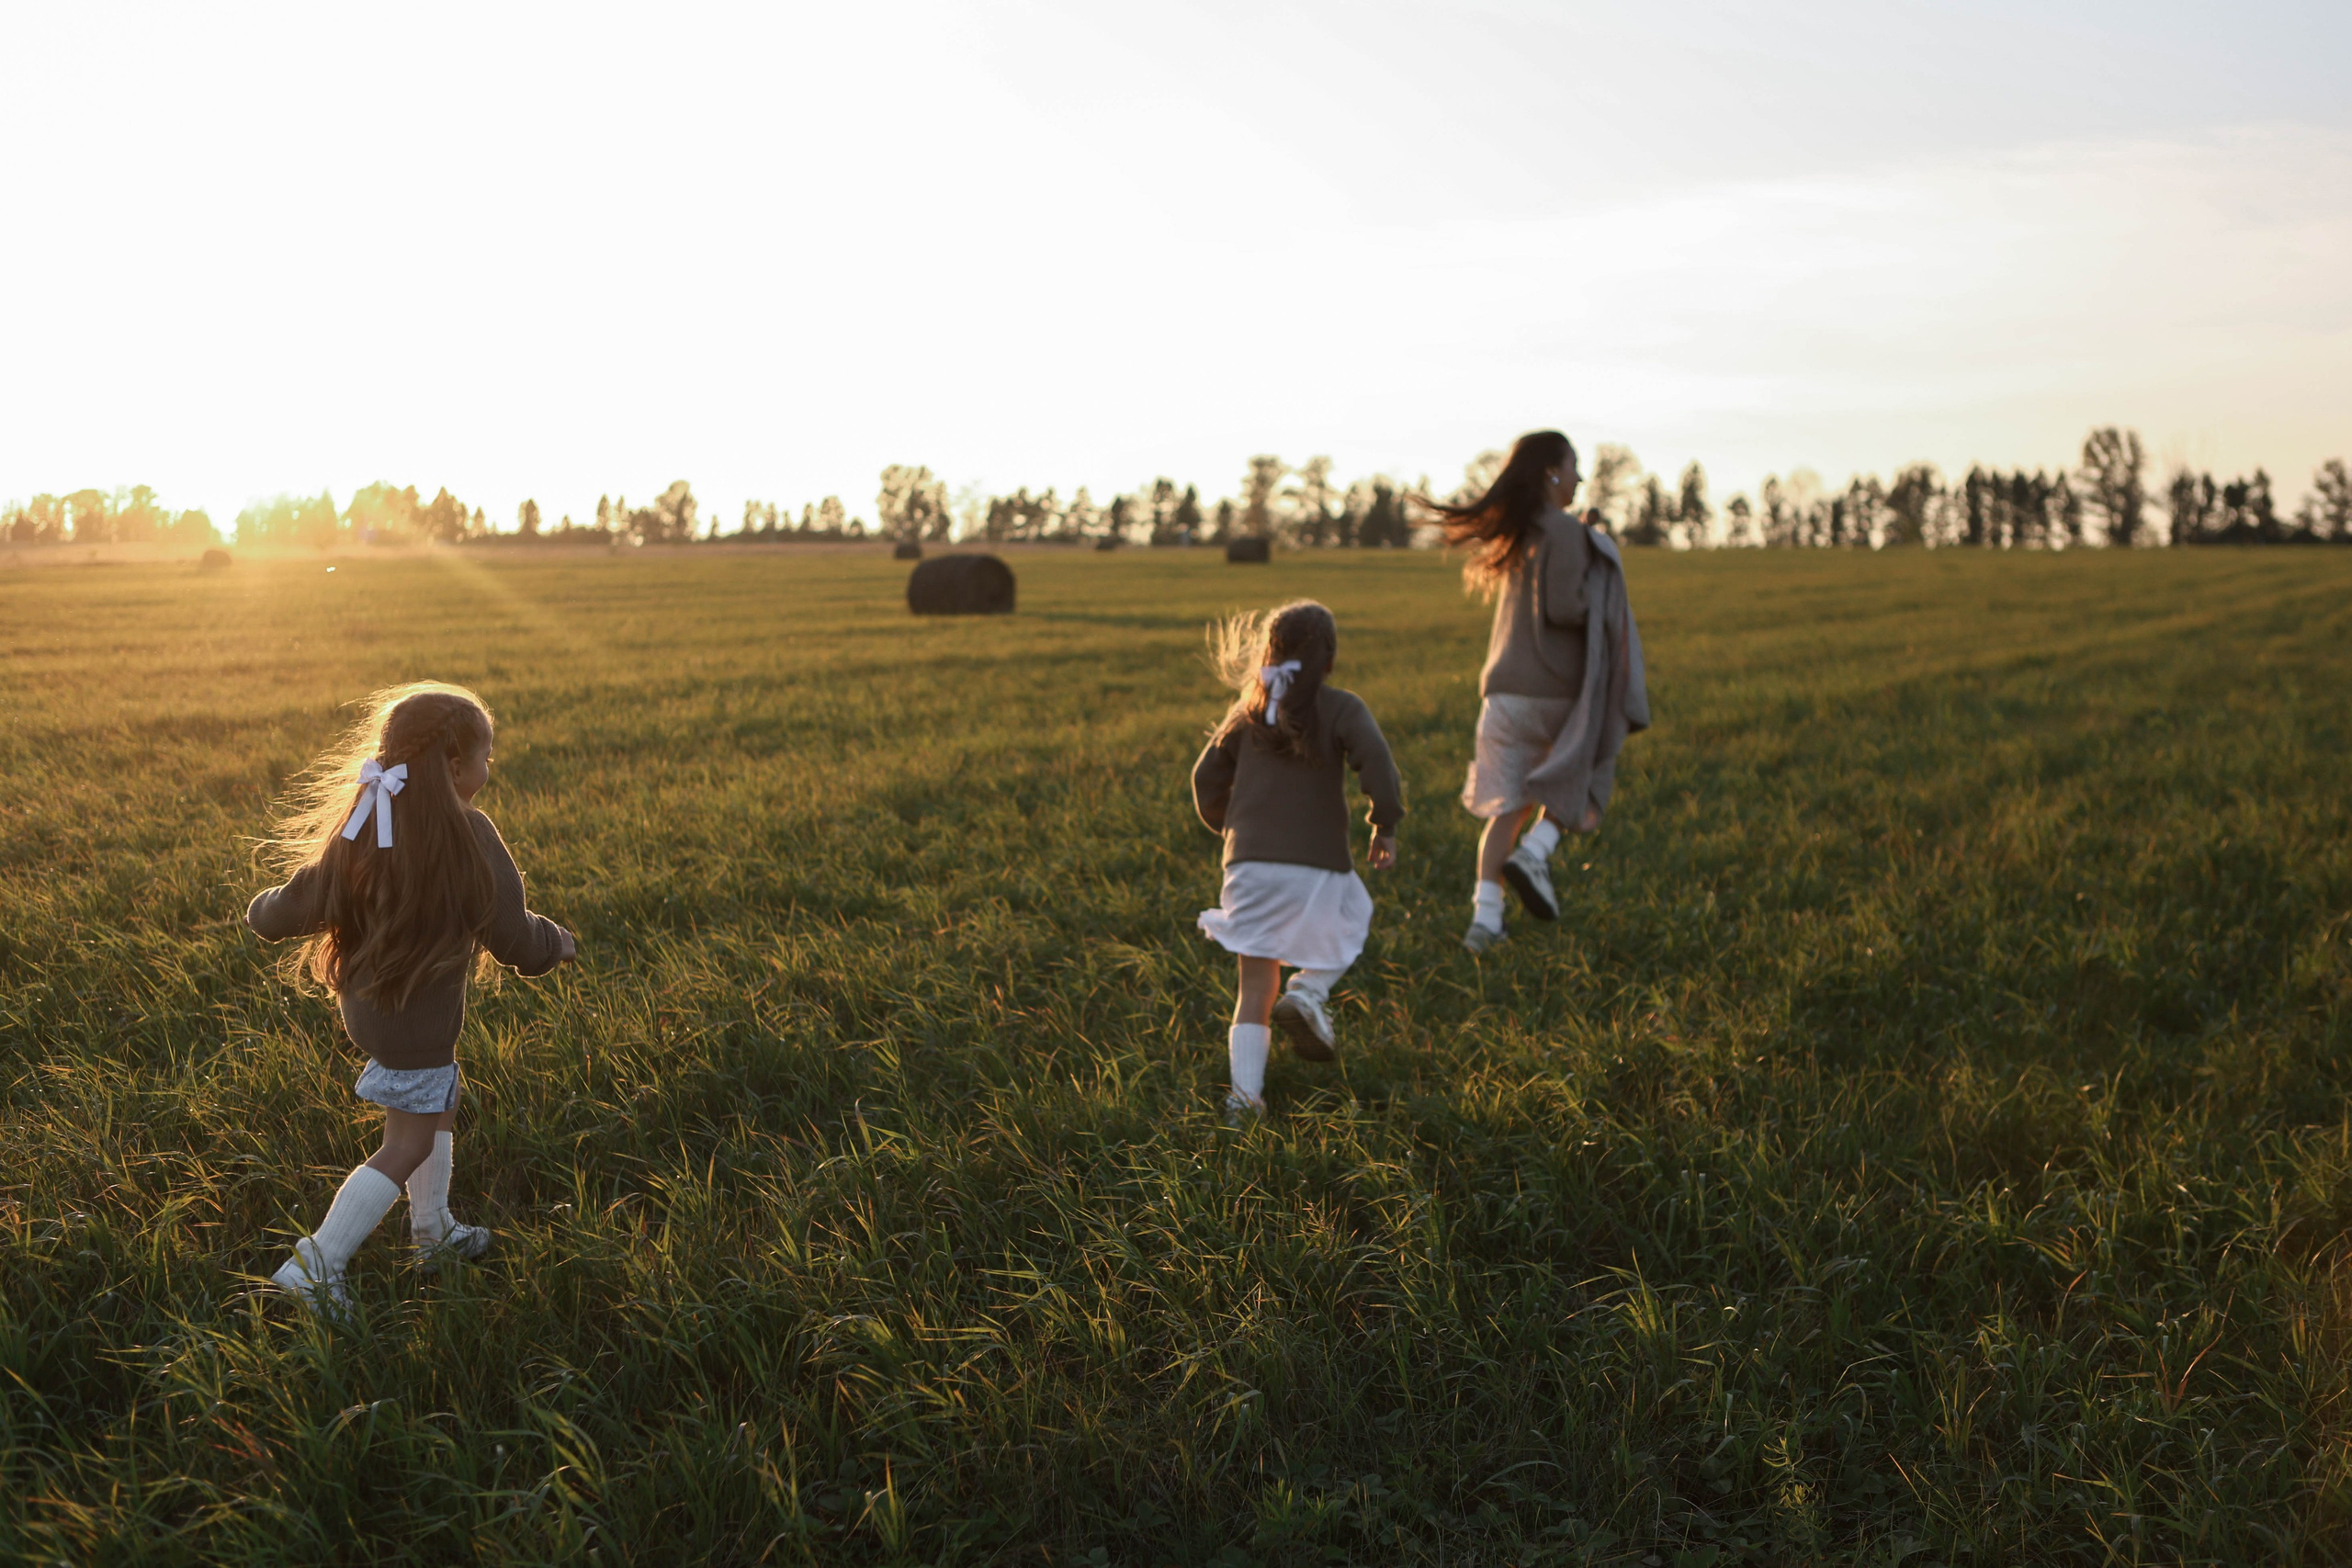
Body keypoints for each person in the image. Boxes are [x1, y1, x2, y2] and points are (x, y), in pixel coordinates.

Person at [246, 682, 575, 1316]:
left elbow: (295, 903)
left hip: (374, 1010)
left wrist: (260, 910)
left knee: (439, 1099)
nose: (490, 767)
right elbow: (514, 934)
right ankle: (318, 1262)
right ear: (456, 767)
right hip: (416, 1023)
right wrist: (555, 943)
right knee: (409, 1141)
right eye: (487, 755)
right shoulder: (471, 835)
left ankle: (433, 1230)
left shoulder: (368, 822)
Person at [1426, 430, 1650, 953]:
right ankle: (1537, 853)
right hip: (1553, 692)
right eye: (1573, 467)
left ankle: (1484, 921)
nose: (1579, 478)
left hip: (1502, 697)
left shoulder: (1516, 532)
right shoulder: (1566, 532)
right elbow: (1565, 609)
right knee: (1589, 770)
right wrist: (1601, 583)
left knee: (1508, 808)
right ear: (1552, 471)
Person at [1192, 600, 1404, 1122]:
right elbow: (1376, 761)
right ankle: (1309, 990)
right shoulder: (1341, 707)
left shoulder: (1246, 712)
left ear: (1269, 652)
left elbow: (1204, 779)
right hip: (1316, 860)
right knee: (1355, 916)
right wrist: (1386, 823)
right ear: (1328, 661)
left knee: (1255, 985)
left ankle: (1244, 1099)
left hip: (1247, 866)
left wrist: (1235, 830)